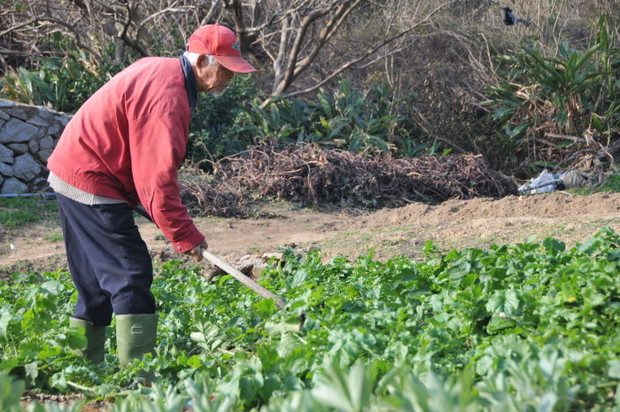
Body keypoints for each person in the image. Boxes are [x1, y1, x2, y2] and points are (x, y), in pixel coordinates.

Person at [46, 24, 256, 366]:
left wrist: (167, 220)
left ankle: (85, 368)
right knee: (130, 273)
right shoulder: (168, 98)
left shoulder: (163, 70)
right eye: (226, 70)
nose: (230, 79)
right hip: (92, 178)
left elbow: (143, 169)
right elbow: (156, 181)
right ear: (203, 61)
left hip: (74, 169)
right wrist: (186, 237)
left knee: (96, 281)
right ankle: (140, 379)